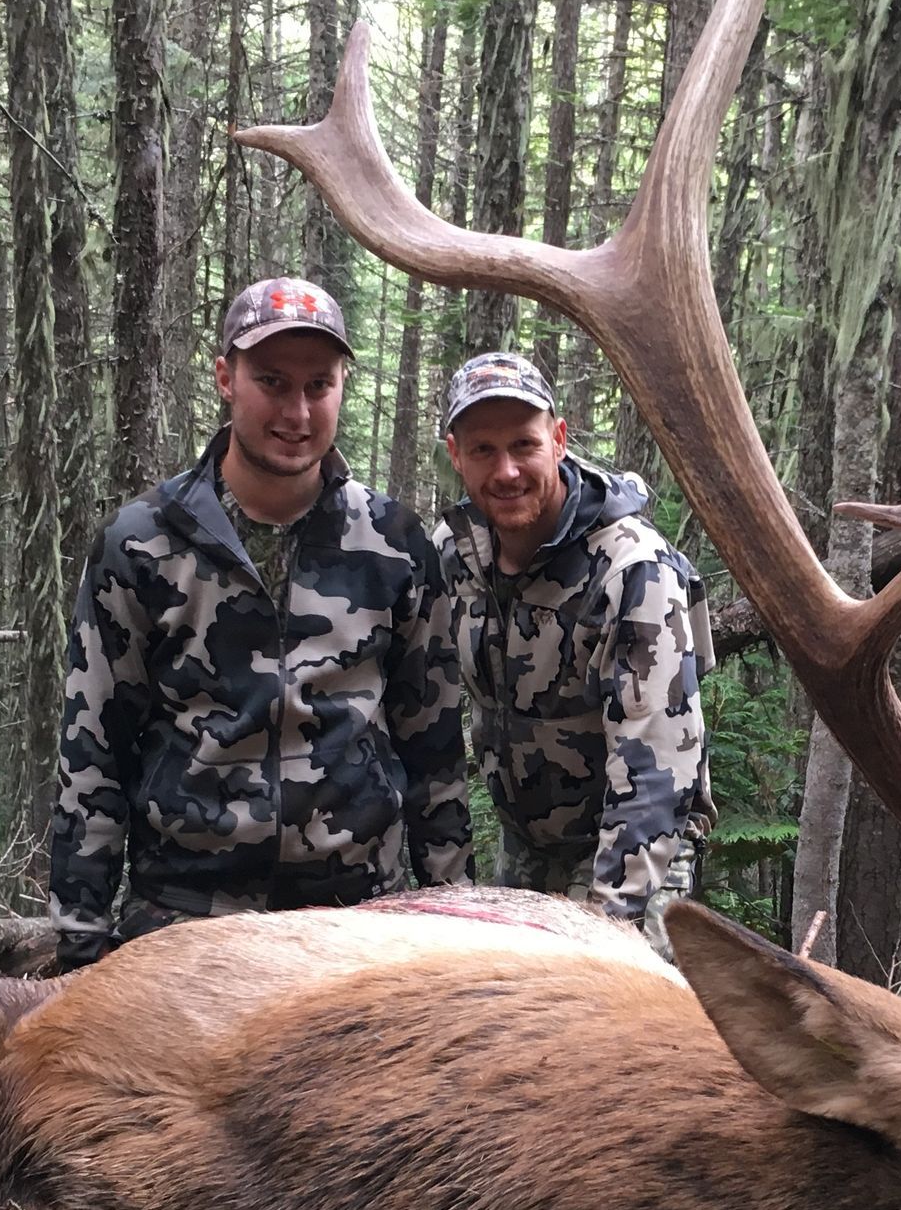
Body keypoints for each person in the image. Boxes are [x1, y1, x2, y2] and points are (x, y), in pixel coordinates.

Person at [50, 277, 470, 969]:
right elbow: (94, 751)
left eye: (318, 385)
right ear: (226, 378)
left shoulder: (392, 542)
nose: (297, 411)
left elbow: (435, 753)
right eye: (272, 382)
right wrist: (80, 947)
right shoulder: (143, 543)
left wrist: (455, 926)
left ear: (341, 386)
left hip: (358, 923)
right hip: (186, 919)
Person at [436, 351, 714, 954]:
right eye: (483, 450)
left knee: (611, 1004)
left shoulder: (634, 571)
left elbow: (656, 771)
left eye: (524, 445)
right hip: (528, 844)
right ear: (456, 455)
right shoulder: (456, 554)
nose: (507, 470)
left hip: (644, 849)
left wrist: (608, 930)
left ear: (558, 440)